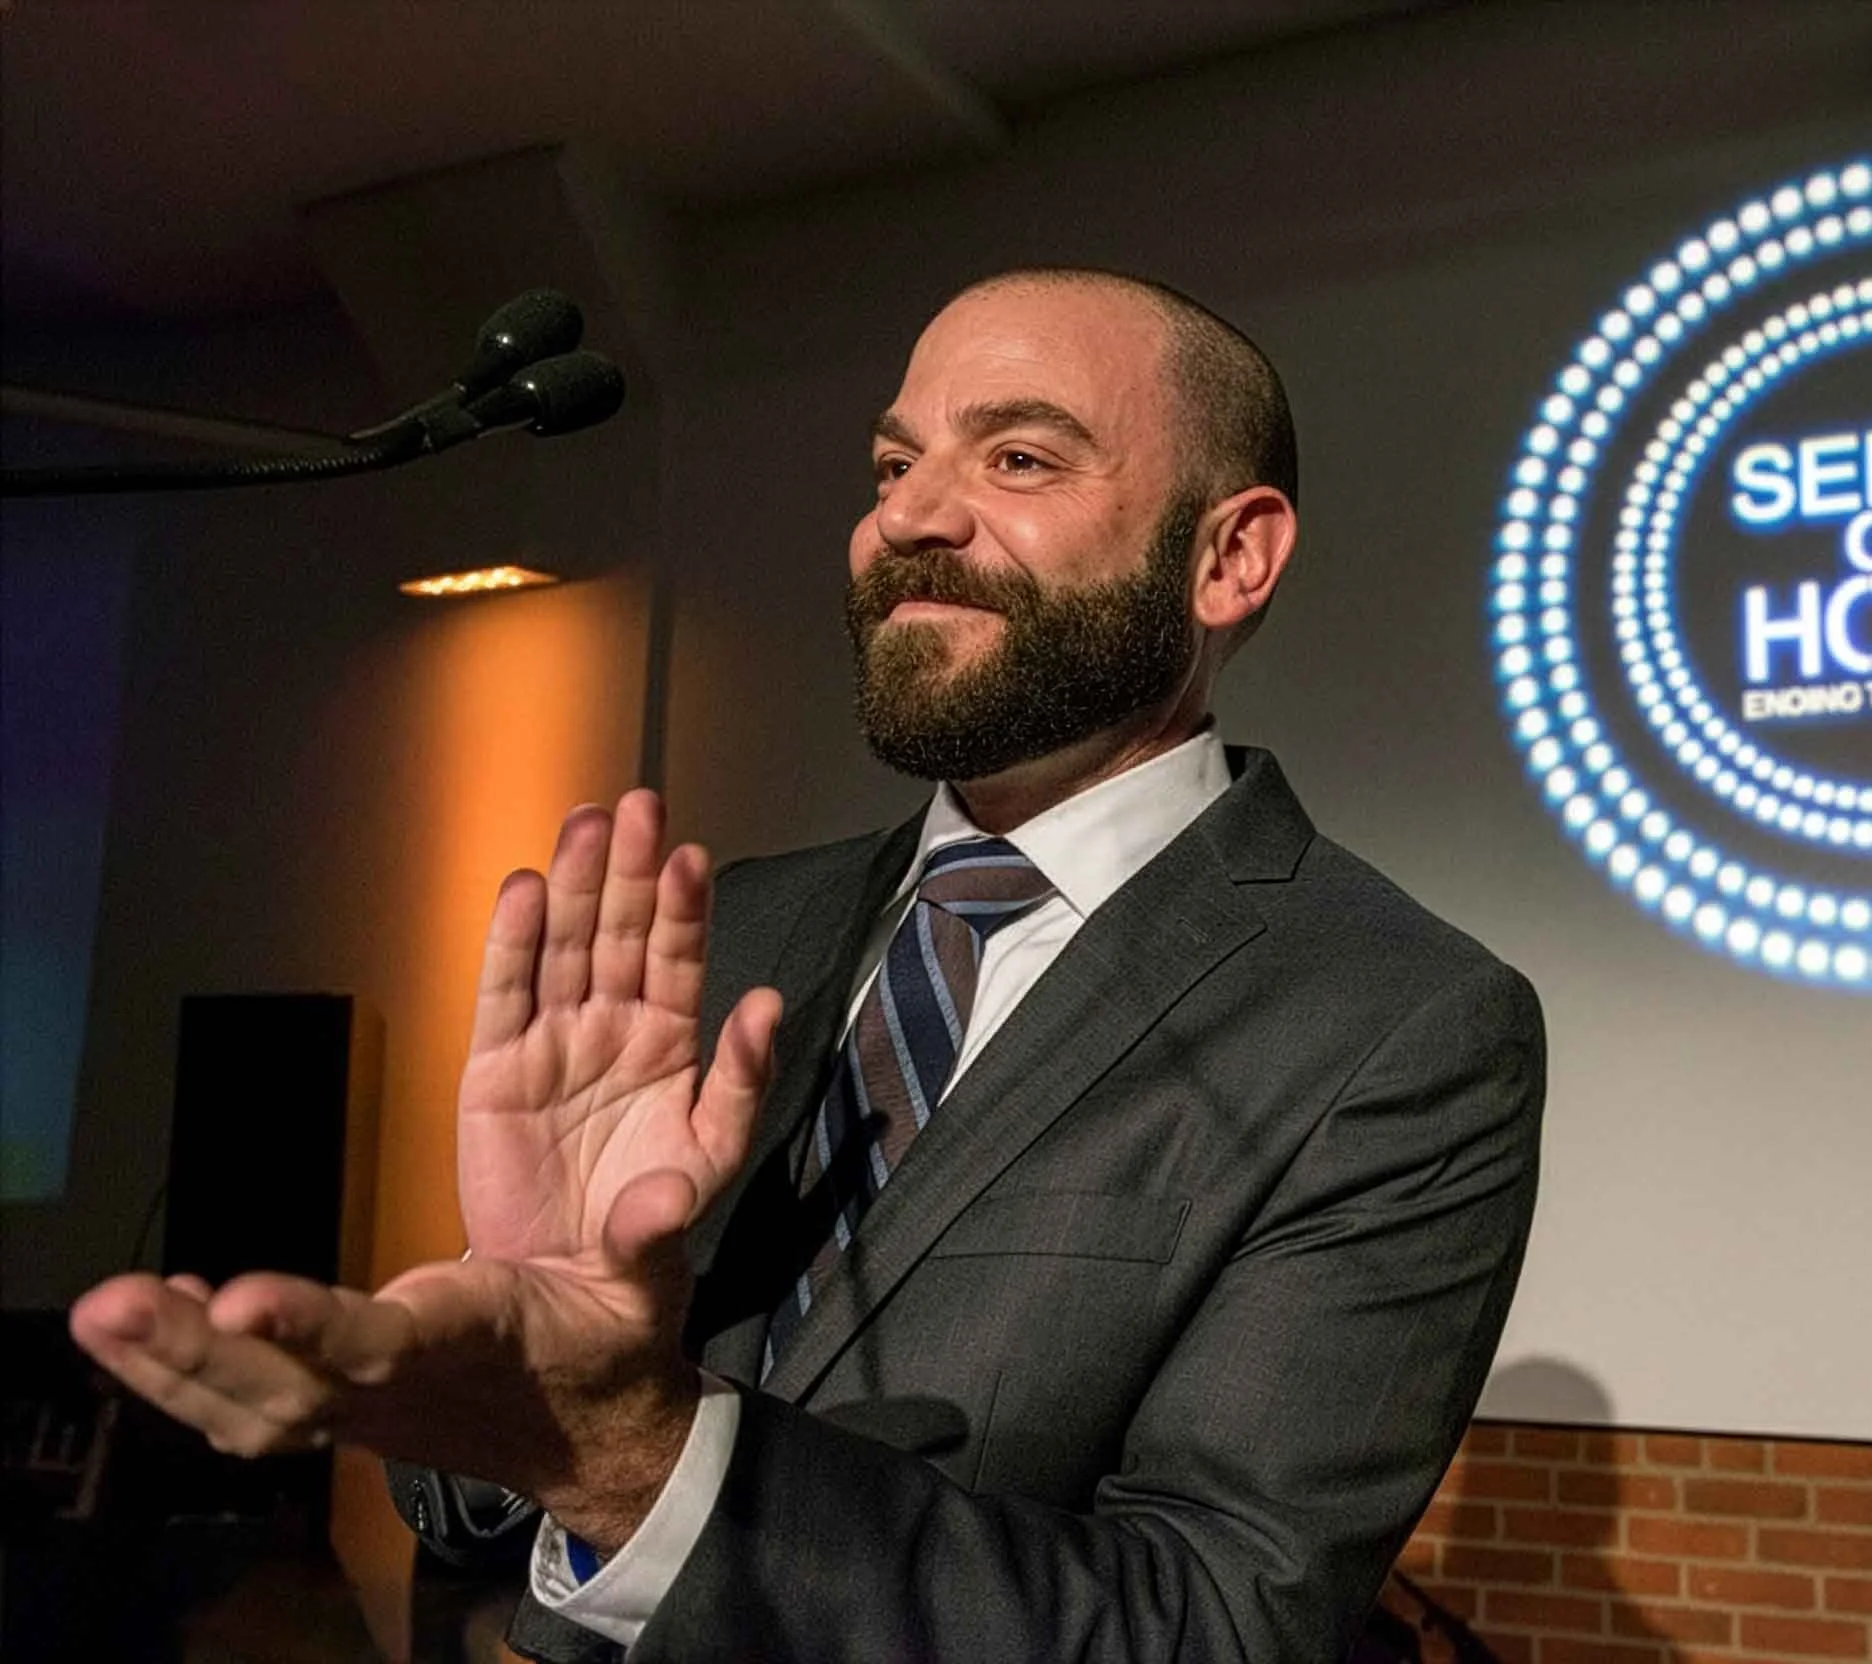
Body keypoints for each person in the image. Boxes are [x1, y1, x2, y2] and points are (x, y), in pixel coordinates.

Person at [71, 268, 1545, 1663]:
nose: (907, 515)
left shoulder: (1395, 1024)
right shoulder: (730, 935)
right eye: (893, 464)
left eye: (1019, 458)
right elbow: (475, 1509)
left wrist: (633, 1450)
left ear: (1230, 556)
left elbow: (1209, 1628)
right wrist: (516, 1353)